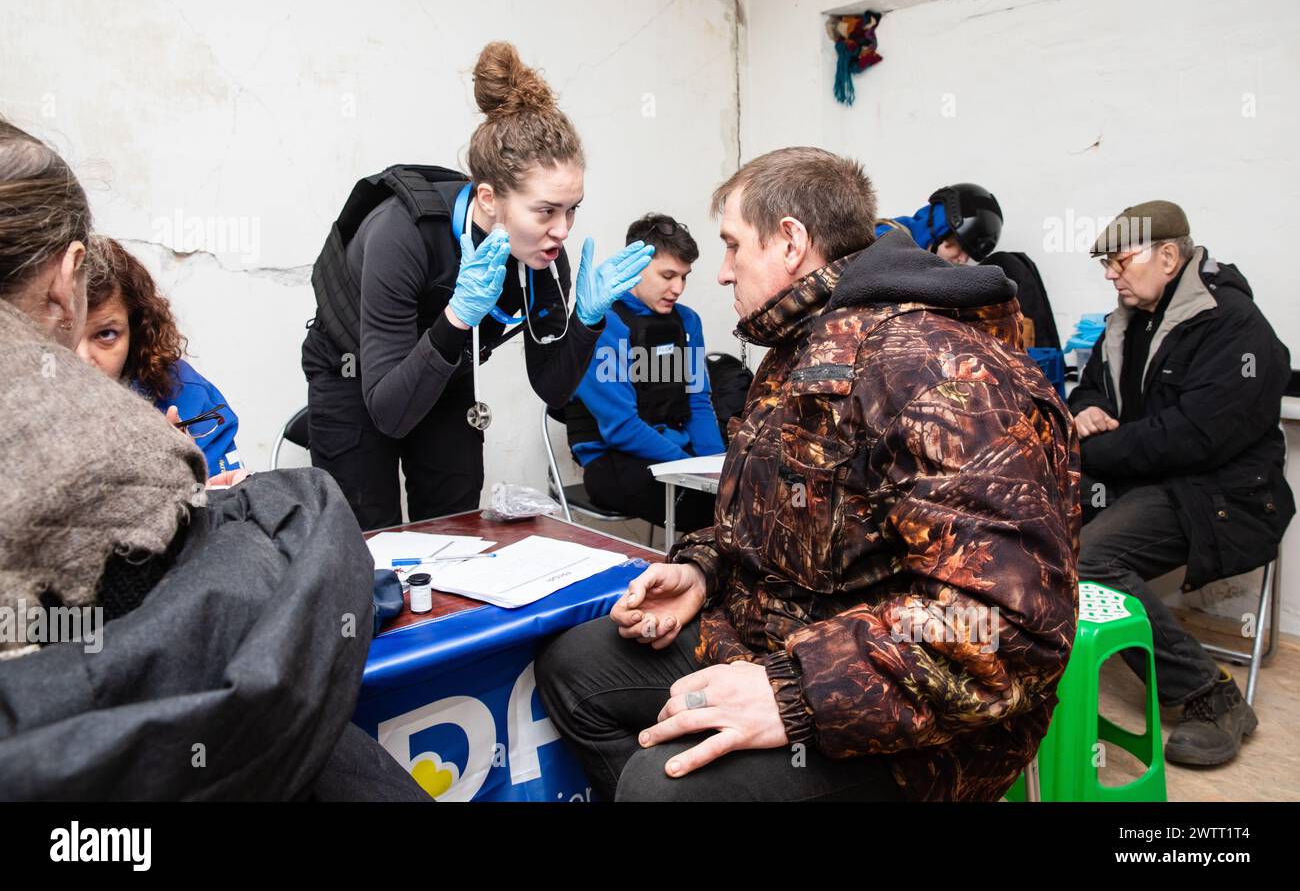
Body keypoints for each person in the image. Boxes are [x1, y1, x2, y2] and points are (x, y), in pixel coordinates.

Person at [536, 147, 1080, 802]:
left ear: (790, 241)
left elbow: (1002, 629)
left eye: (734, 247)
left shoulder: (942, 373)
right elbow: (777, 519)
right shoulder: (804, 347)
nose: (723, 273)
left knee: (663, 787)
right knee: (572, 668)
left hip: (916, 723)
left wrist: (793, 693)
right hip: (775, 636)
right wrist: (703, 569)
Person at [0, 118, 426, 800]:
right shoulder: (108, 443)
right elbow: (200, 665)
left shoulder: (181, 398)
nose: (85, 354)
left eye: (110, 335)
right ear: (65, 281)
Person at [303, 41, 654, 530]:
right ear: (488, 197)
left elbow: (552, 387)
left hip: (443, 364)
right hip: (355, 371)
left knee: (455, 524)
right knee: (367, 539)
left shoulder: (544, 256)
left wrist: (586, 323)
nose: (563, 229)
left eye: (572, 208)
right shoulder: (401, 235)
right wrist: (459, 316)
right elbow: (389, 412)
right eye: (547, 210)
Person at [1069, 200, 1293, 767]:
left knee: (1090, 558)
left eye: (1119, 262)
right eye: (1106, 266)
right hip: (1144, 481)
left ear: (1168, 257)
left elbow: (1190, 439)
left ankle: (1211, 696)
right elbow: (1089, 388)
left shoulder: (1235, 327)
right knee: (1023, 515)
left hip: (1221, 495)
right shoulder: (1127, 321)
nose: (1110, 275)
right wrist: (1088, 411)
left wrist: (1091, 446)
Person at [563, 214, 725, 532]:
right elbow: (621, 428)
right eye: (667, 275)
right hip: (613, 460)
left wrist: (719, 468)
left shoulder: (687, 322)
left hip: (675, 452)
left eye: (684, 277)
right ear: (635, 266)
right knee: (711, 514)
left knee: (743, 496)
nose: (677, 288)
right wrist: (689, 469)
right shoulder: (603, 324)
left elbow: (698, 403)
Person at [78, 235, 242, 478]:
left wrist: (188, 475)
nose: (83, 359)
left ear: (135, 331)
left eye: (106, 334)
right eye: (65, 332)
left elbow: (227, 500)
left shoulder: (186, 397)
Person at [881, 183, 1061, 349]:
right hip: (893, 347)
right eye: (962, 249)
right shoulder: (884, 238)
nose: (963, 259)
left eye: (969, 255)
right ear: (942, 233)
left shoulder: (937, 270)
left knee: (1011, 263)